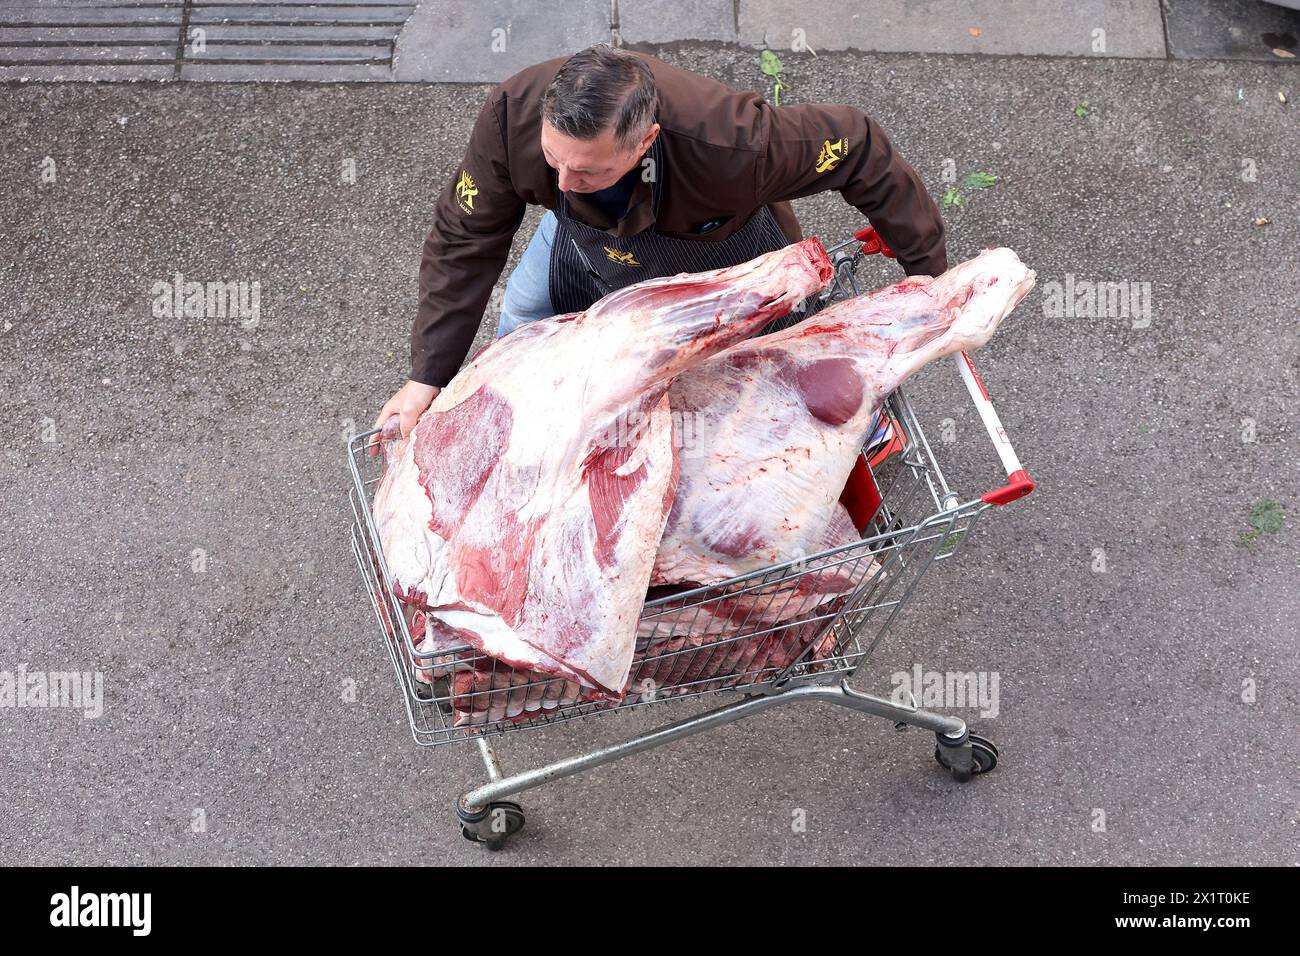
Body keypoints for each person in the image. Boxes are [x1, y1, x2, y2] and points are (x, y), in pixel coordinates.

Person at [371, 44, 947, 444]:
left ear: (645, 141)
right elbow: (464, 236)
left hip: (714, 243)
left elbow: (858, 145)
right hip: (587, 239)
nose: (563, 183)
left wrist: (929, 280)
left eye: (587, 171)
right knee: (523, 312)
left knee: (734, 385)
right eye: (552, 162)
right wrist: (429, 373)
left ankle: (860, 433)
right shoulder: (513, 116)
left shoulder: (736, 148)